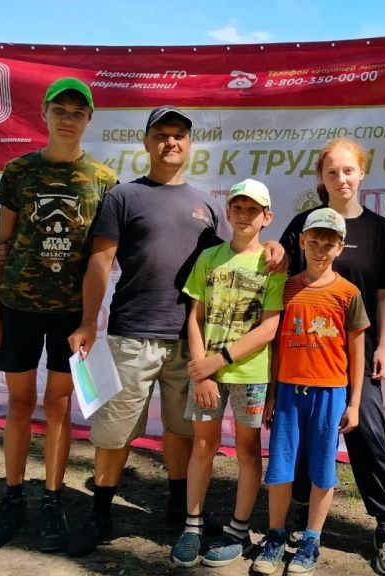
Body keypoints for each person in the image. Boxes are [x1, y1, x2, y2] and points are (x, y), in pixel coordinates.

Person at [65, 106, 285, 557]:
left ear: (189, 144)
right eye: (162, 134)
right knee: (115, 432)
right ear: (147, 143)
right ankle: (100, 513)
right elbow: (100, 263)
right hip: (132, 333)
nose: (171, 142)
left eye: (180, 135)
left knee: (183, 432)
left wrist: (274, 247)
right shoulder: (123, 197)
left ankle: (179, 508)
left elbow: (233, 256)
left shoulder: (208, 205)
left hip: (190, 343)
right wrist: (88, 321)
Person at [0, 77, 118, 552]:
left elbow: (102, 259)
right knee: (19, 404)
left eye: (78, 112)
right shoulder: (18, 171)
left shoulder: (103, 180)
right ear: (44, 113)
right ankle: (13, 495)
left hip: (69, 315)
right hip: (18, 307)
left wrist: (89, 320)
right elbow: (1, 247)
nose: (68, 119)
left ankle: (53, 499)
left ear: (89, 120)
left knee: (58, 406)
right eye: (60, 110)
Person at [278, 137, 385, 575]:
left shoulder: (381, 231)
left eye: (348, 170)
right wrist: (271, 250)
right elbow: (279, 276)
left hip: (357, 357)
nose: (341, 178)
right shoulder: (301, 224)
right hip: (304, 356)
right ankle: (301, 511)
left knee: (368, 435)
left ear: (362, 173)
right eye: (332, 171)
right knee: (303, 436)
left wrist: (383, 346)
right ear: (321, 177)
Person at [170, 178, 287, 568]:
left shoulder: (272, 265)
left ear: (267, 217)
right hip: (207, 375)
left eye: (253, 210)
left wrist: (216, 362)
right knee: (203, 446)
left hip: (250, 375)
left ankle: (238, 531)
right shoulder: (209, 257)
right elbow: (195, 317)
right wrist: (201, 374)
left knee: (247, 450)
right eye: (238, 208)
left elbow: (269, 329)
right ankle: (192, 526)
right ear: (228, 212)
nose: (244, 215)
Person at [253, 207, 369, 576]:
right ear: (302, 241)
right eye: (314, 241)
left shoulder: (349, 293)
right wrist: (272, 395)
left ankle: (311, 540)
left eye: (329, 244)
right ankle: (275, 536)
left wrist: (354, 402)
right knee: (280, 467)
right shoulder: (285, 287)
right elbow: (274, 347)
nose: (320, 250)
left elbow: (357, 352)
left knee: (322, 470)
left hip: (330, 393)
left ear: (340, 248)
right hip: (289, 392)